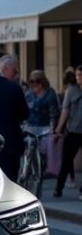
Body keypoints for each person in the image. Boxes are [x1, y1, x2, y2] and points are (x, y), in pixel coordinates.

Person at [54, 69, 82, 198]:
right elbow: (65, 111)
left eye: (81, 75)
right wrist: (58, 129)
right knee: (66, 161)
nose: (78, 77)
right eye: (77, 75)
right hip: (73, 131)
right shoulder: (71, 91)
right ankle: (58, 189)